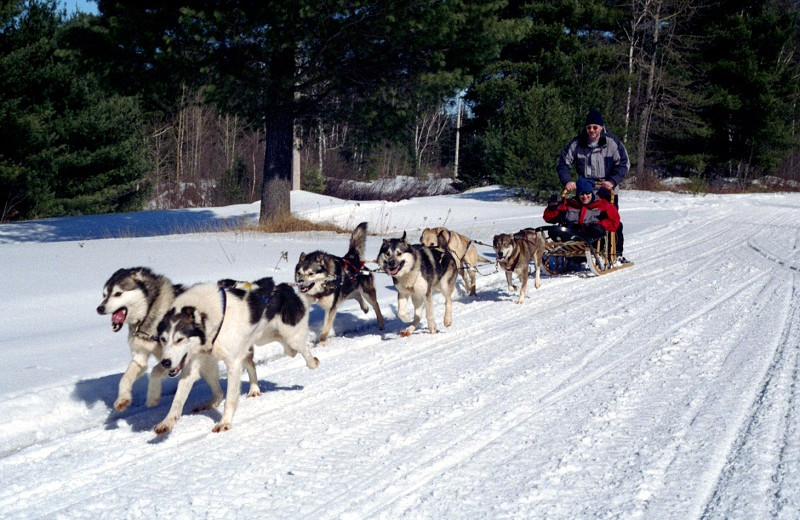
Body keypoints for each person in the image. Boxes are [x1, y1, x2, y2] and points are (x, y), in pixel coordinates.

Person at [556, 109, 630, 262]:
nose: (592, 130)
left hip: (606, 189)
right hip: (585, 189)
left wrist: (612, 181)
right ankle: (579, 251)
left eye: (595, 127)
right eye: (589, 127)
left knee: (609, 221)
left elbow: (624, 164)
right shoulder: (577, 143)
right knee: (578, 220)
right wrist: (567, 181)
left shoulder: (612, 143)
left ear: (601, 127)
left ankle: (615, 253)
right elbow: (563, 163)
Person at [543, 177, 620, 243]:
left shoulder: (602, 204)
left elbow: (614, 221)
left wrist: (599, 225)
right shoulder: (569, 203)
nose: (585, 196)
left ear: (592, 193)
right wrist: (551, 208)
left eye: (587, 193)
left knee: (597, 231)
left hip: (592, 236)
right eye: (581, 194)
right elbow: (548, 218)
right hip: (572, 233)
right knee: (554, 230)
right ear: (577, 194)